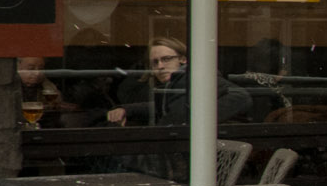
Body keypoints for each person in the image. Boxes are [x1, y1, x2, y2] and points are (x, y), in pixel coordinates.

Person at [107, 37, 251, 126]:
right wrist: (126, 109)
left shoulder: (195, 78)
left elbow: (241, 97)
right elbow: (166, 106)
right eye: (154, 62)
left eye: (166, 59)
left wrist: (196, 121)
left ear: (183, 59)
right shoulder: (172, 85)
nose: (160, 66)